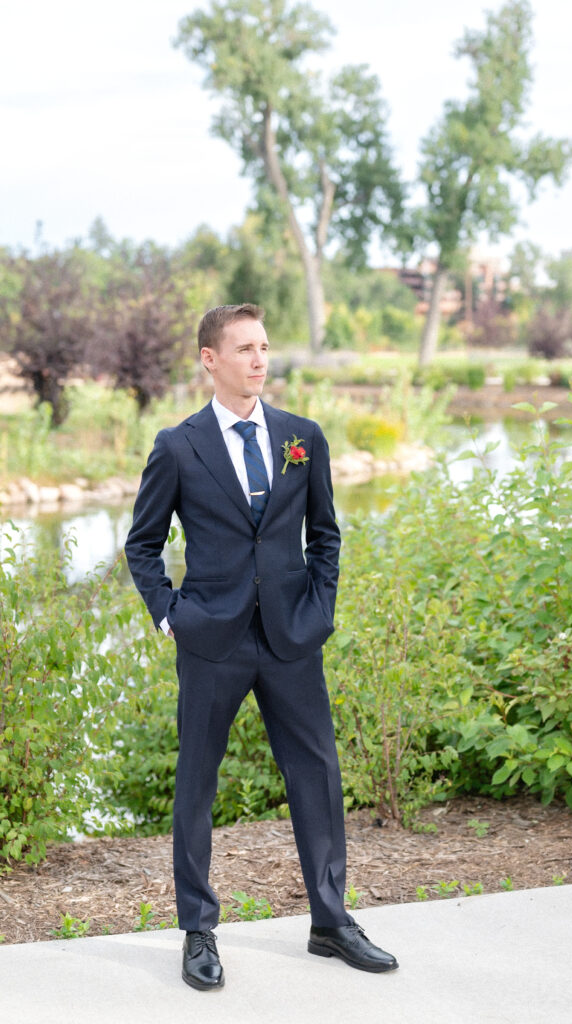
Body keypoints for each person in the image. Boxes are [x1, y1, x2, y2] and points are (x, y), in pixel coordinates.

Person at [125, 303, 398, 990]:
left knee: (317, 774)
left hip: (290, 636)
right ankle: (197, 930)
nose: (259, 359)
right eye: (244, 348)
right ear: (209, 360)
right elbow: (143, 545)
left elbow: (325, 535)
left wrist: (320, 610)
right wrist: (170, 616)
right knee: (197, 782)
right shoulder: (178, 446)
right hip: (211, 639)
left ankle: (331, 922)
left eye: (265, 347)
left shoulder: (300, 437)